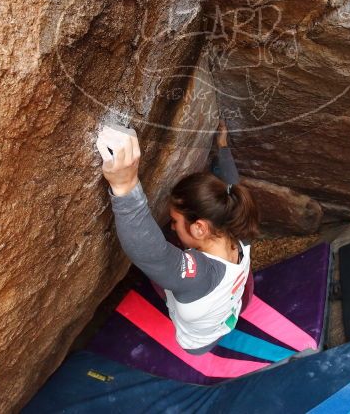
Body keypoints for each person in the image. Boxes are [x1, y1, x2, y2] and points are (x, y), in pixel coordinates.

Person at [96, 120, 259, 355]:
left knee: (162, 269)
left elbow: (153, 255)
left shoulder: (202, 276)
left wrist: (125, 186)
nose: (172, 227)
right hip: (232, 303)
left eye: (175, 220)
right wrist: (222, 147)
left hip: (198, 342)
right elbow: (231, 185)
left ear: (200, 228)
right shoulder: (239, 225)